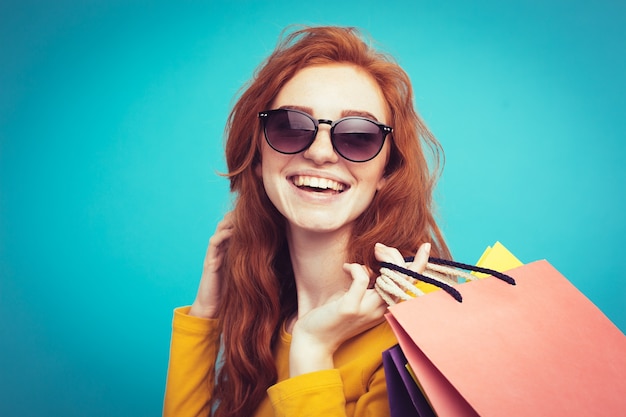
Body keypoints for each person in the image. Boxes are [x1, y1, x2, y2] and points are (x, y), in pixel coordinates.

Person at [163, 26, 450, 417]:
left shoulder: (418, 333)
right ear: (259, 152)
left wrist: (312, 349)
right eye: (291, 126)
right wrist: (206, 314)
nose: (319, 153)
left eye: (359, 135)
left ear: (388, 170)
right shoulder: (265, 320)